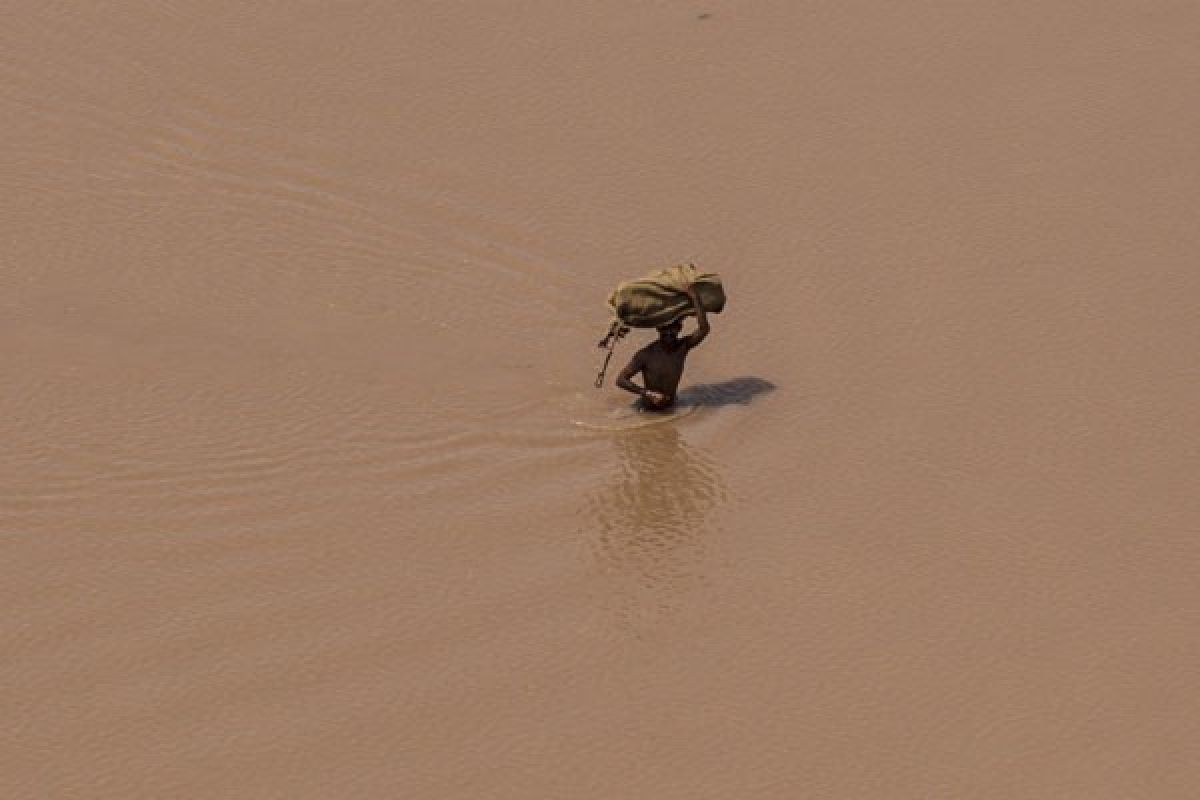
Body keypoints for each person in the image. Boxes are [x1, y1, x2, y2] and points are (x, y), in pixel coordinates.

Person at [616, 284, 710, 410]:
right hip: (646, 409)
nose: (669, 336)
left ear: (679, 329)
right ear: (658, 330)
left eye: (672, 332)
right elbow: (621, 380)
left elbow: (704, 329)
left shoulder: (683, 347)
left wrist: (695, 298)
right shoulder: (646, 354)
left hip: (671, 406)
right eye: (665, 333)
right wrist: (646, 393)